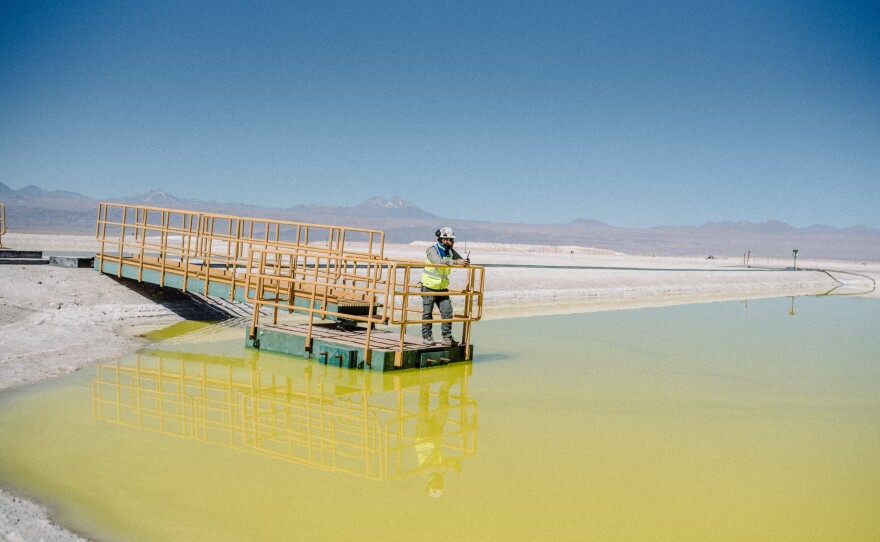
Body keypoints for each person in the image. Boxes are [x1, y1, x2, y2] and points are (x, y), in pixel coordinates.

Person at [420, 227, 469, 346]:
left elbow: (459, 259)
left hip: (442, 288)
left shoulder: (450, 251)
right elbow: (437, 261)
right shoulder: (432, 250)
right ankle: (427, 336)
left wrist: (465, 261)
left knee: (447, 312)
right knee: (428, 313)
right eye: (450, 240)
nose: (452, 242)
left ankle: (447, 338)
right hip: (429, 286)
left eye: (452, 240)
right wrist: (456, 262)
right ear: (443, 240)